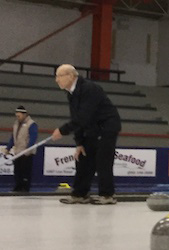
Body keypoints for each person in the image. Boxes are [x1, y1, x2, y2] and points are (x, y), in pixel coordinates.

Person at [51, 64, 122, 205]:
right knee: (83, 159)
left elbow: (84, 117)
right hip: (91, 129)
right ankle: (79, 194)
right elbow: (76, 118)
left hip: (106, 127)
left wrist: (63, 130)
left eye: (59, 76)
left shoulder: (89, 89)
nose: (56, 80)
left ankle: (107, 195)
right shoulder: (71, 93)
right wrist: (79, 143)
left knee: (103, 160)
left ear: (71, 76)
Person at [4, 106, 37, 193]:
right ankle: (18, 187)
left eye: (19, 116)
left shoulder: (31, 124)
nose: (17, 118)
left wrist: (28, 149)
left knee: (25, 171)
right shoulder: (16, 124)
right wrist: (8, 148)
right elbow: (13, 137)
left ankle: (25, 188)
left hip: (27, 152)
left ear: (24, 115)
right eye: (16, 116)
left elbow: (33, 137)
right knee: (17, 170)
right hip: (17, 151)